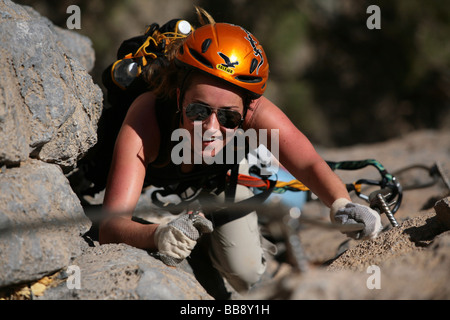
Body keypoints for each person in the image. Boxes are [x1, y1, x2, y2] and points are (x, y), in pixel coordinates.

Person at [98, 9, 382, 296]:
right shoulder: (147, 117)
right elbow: (109, 227)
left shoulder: (255, 110)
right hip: (176, 180)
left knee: (246, 274)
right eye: (198, 111)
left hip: (216, 180)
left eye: (228, 119)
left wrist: (341, 204)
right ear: (177, 95)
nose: (210, 127)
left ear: (246, 111)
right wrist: (157, 235)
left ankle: (235, 237)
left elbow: (308, 163)